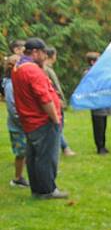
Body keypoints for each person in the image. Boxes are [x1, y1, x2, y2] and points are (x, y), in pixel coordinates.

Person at [12, 38, 66, 198]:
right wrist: (55, 118)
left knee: (34, 156)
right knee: (46, 157)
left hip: (29, 120)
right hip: (42, 120)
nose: (45, 56)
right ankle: (48, 190)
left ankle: (37, 189)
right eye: (43, 52)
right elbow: (44, 98)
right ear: (35, 52)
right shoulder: (32, 70)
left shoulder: (18, 67)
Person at [3, 52, 28, 187]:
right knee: (21, 152)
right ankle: (18, 178)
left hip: (25, 123)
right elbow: (12, 108)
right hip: (18, 126)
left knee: (27, 151)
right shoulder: (10, 85)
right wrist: (22, 120)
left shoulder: (17, 81)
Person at [43, 46, 73, 156]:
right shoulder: (45, 69)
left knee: (58, 126)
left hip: (56, 101)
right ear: (52, 55)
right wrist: (58, 99)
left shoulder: (48, 68)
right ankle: (65, 148)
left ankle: (63, 148)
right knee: (57, 126)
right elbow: (50, 87)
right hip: (54, 102)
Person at [83, 52, 111, 154]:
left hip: (104, 101)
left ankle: (103, 145)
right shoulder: (89, 73)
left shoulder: (102, 72)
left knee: (103, 123)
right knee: (98, 125)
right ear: (92, 62)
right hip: (96, 102)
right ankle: (100, 146)